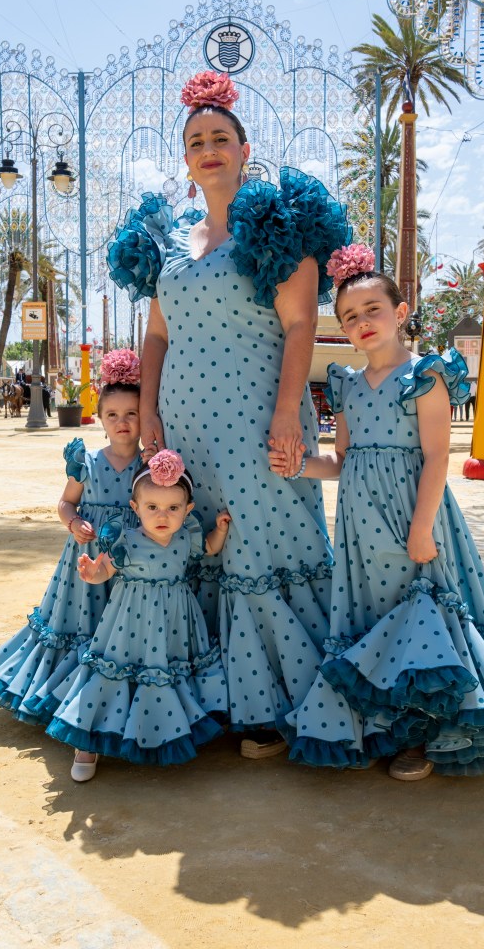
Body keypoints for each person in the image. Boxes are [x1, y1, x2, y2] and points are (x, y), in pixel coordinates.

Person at [269, 245, 484, 779]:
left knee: (425, 620)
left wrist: (420, 528)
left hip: (415, 519)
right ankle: (387, 730)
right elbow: (343, 462)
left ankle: (430, 736)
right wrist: (297, 466)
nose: (362, 323)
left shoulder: (425, 375)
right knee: (377, 625)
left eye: (373, 310)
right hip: (360, 532)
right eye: (350, 316)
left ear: (401, 312)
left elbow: (438, 457)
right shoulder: (346, 385)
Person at [108, 70, 350, 758]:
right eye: (195, 141)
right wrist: (149, 407)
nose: (208, 148)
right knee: (196, 536)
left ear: (245, 150)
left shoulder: (274, 224)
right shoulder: (172, 236)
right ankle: (207, 698)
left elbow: (301, 325)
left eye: (220, 137)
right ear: (185, 161)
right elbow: (156, 335)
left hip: (255, 413)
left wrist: (287, 417)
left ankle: (272, 707)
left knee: (261, 536)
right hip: (183, 418)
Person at [0, 348, 144, 724]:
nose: (122, 422)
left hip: (129, 561)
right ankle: (67, 693)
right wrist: (73, 523)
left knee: (121, 625)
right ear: (100, 420)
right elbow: (66, 503)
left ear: (143, 418)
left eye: (131, 414)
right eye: (113, 415)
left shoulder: (148, 466)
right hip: (83, 561)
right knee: (83, 623)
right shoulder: (87, 462)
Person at [41, 450, 231, 781]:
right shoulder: (125, 539)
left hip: (175, 622)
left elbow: (210, 549)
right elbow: (106, 571)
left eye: (173, 508)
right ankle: (87, 741)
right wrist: (91, 574)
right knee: (113, 674)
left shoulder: (187, 536)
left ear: (187, 511)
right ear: (135, 508)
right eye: (152, 507)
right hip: (128, 621)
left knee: (167, 674)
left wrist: (221, 530)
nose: (163, 515)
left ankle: (167, 727)